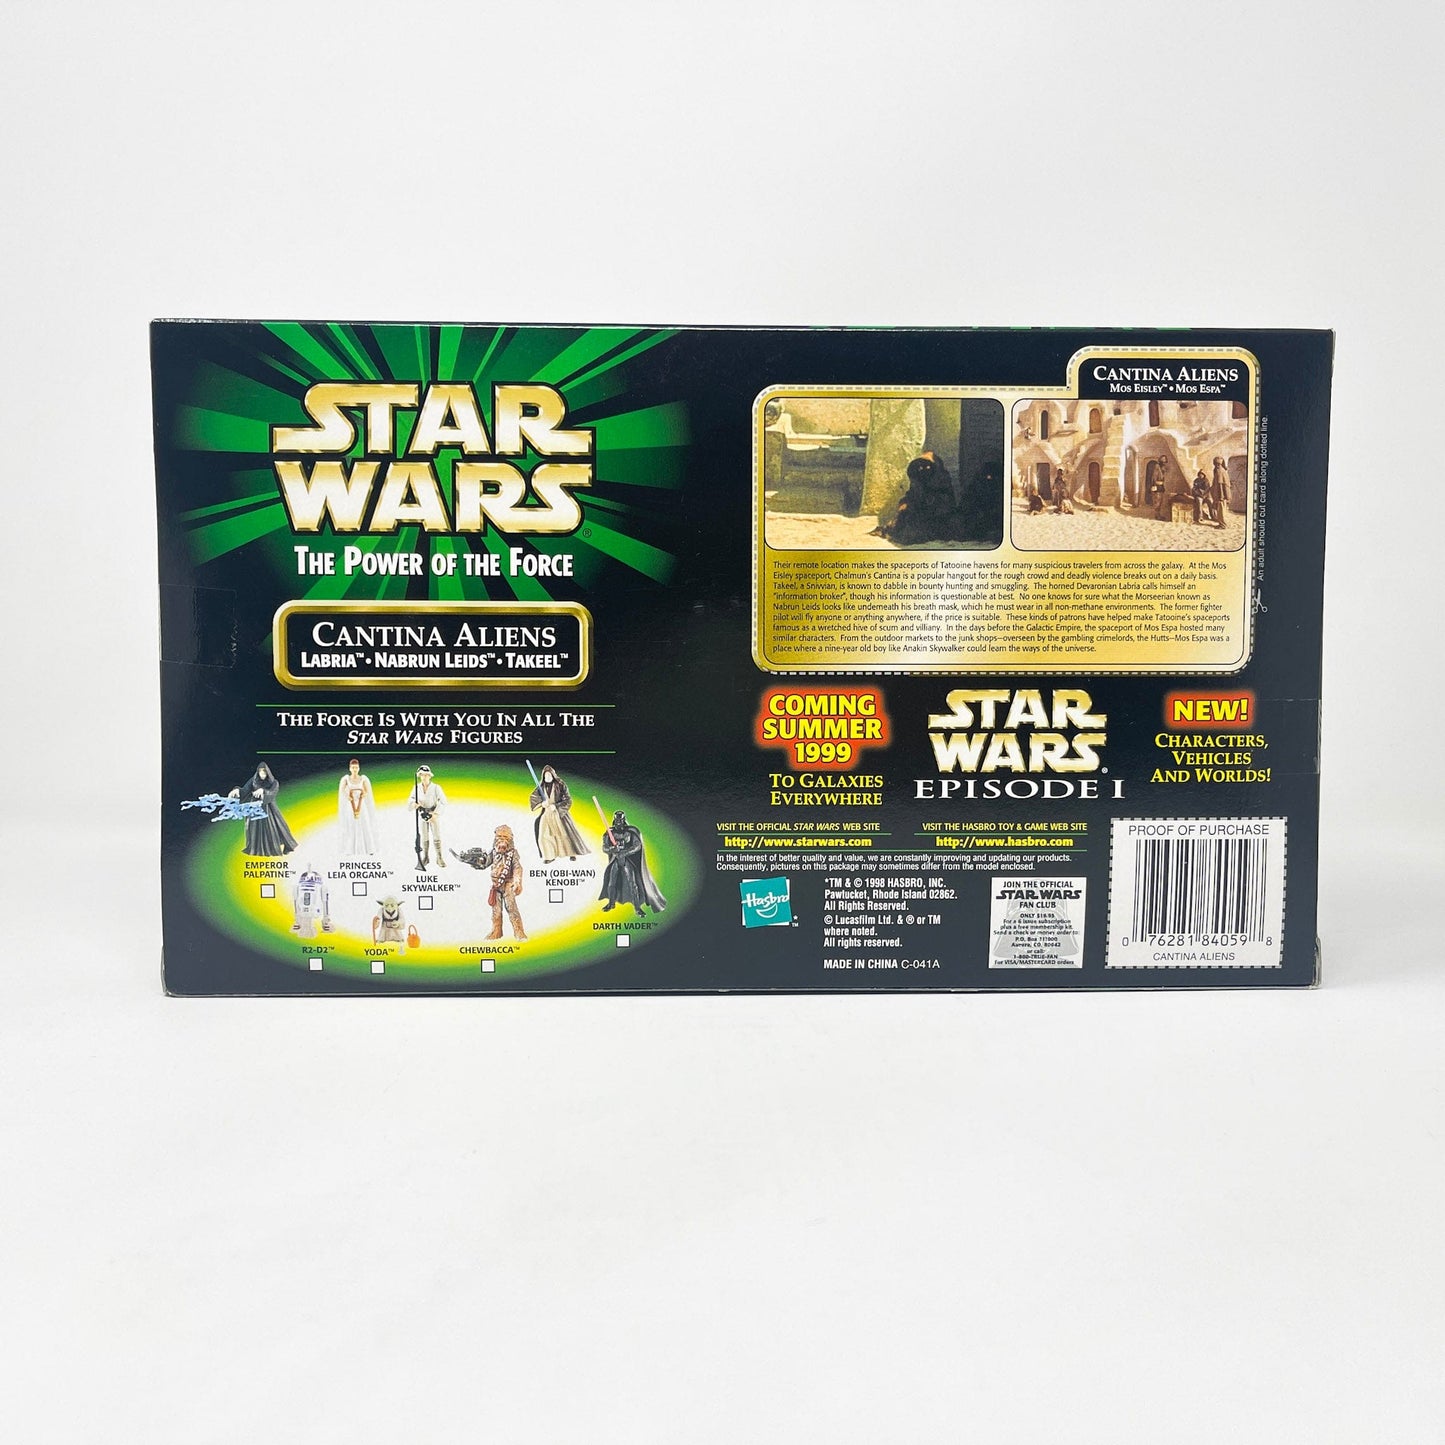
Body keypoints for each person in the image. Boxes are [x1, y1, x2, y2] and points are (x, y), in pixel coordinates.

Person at [599, 810, 667, 917]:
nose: (618, 824)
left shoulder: (630, 832)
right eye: (617, 821)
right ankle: (611, 903)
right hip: (616, 860)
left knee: (633, 884)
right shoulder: (609, 833)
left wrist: (625, 852)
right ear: (614, 821)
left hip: (627, 860)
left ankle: (637, 908)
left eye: (620, 821)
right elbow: (604, 847)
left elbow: (637, 845)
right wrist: (612, 849)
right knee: (611, 883)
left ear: (624, 821)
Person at [229, 761, 297, 857]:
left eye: (264, 771)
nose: (262, 774)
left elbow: (272, 793)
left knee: (276, 826)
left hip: (269, 808)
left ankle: (288, 846)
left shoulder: (274, 783)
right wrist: (237, 790)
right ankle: (255, 848)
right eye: (260, 771)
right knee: (254, 829)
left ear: (267, 772)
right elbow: (244, 791)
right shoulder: (253, 781)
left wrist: (263, 791)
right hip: (255, 808)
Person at [529, 764, 591, 863]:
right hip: (546, 814)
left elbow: (568, 800)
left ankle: (571, 853)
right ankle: (549, 855)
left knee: (564, 834)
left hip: (559, 814)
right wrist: (542, 803)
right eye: (545, 775)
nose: (547, 777)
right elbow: (534, 797)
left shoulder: (560, 785)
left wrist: (556, 806)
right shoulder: (541, 787)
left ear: (553, 775)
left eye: (549, 775)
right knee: (544, 836)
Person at [337, 758, 377, 856]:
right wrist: (347, 796)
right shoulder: (346, 779)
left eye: (356, 767)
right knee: (351, 824)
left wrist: (363, 794)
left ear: (359, 768)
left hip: (360, 804)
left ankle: (369, 848)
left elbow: (367, 791)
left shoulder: (363, 779)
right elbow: (342, 790)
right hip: (351, 804)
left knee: (364, 823)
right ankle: (350, 849)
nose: (354, 769)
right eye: (353, 767)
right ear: (350, 768)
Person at [409, 765, 447, 869]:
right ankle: (425, 857)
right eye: (422, 775)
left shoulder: (436, 787)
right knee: (424, 837)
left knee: (436, 836)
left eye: (426, 775)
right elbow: (411, 799)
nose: (424, 777)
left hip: (433, 813)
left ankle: (439, 857)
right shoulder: (416, 788)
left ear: (429, 776)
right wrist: (414, 804)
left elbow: (443, 801)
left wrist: (435, 814)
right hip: (422, 813)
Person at [1210, 457, 1231, 528]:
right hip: (1219, 495)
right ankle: (1221, 523)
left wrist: (1222, 496)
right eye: (1216, 464)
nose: (1217, 465)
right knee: (1219, 510)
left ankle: (1223, 525)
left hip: (1221, 495)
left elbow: (1222, 485)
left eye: (1218, 464)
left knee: (1221, 511)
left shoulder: (1221, 472)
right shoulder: (1218, 471)